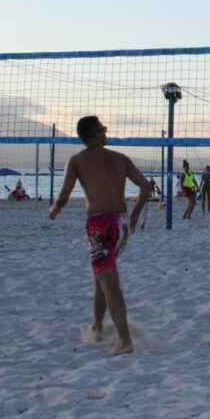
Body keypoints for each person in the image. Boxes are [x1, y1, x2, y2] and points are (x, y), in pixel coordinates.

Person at [48, 116, 149, 356]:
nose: (106, 131)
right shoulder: (120, 159)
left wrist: (55, 209)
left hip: (99, 226)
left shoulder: (76, 161)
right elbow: (145, 187)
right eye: (103, 129)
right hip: (120, 226)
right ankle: (97, 327)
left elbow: (63, 196)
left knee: (110, 283)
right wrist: (135, 214)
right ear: (95, 135)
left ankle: (124, 342)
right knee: (101, 279)